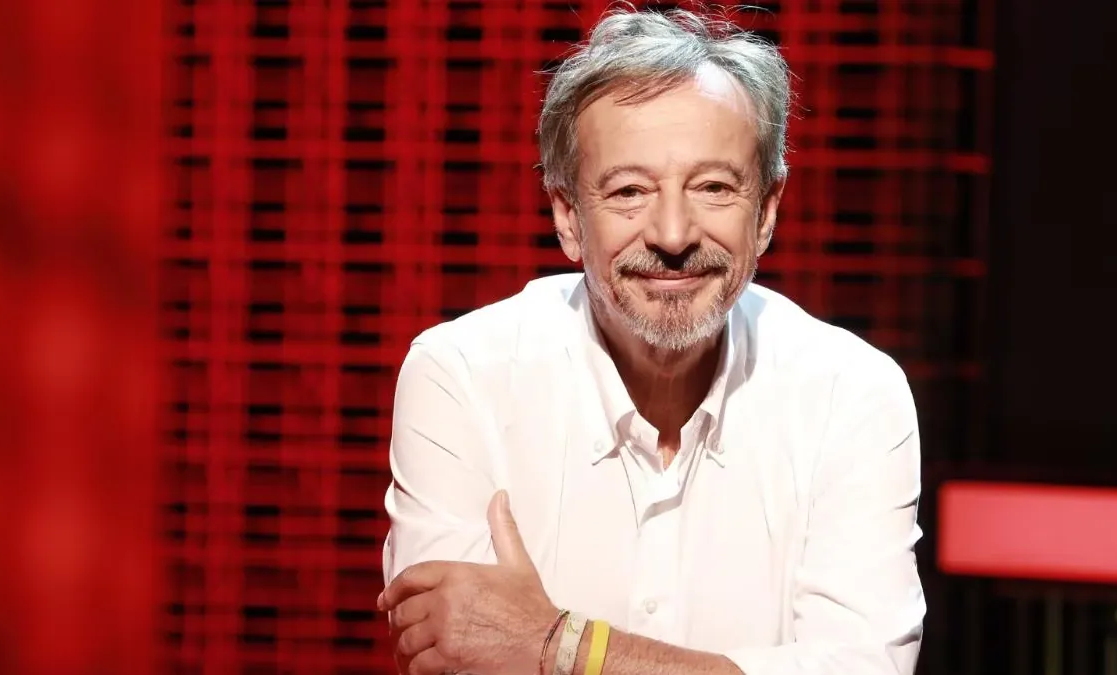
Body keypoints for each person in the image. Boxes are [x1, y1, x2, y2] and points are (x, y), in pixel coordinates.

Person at [377, 7, 925, 675]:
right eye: (629, 191)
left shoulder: (854, 394)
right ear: (568, 216)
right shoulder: (462, 375)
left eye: (713, 187)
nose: (672, 234)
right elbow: (456, 654)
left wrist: (559, 645)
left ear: (767, 211)